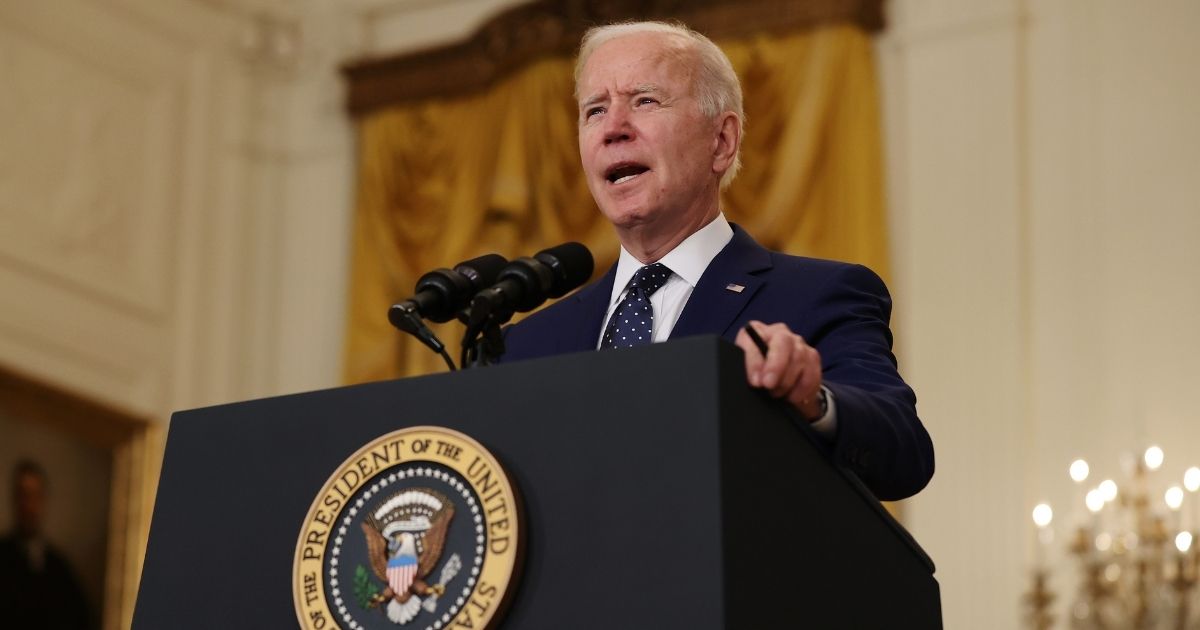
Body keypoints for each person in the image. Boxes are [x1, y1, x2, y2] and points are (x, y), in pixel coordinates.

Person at [501, 21, 933, 501]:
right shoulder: (526, 347)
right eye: (594, 110)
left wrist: (812, 401)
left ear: (722, 142)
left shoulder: (818, 295)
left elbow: (904, 451)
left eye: (644, 100)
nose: (613, 129)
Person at [0, 459, 91, 629]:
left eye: (35, 496)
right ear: (14, 499)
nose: (29, 506)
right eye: (24, 495)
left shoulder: (60, 568)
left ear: (44, 500)